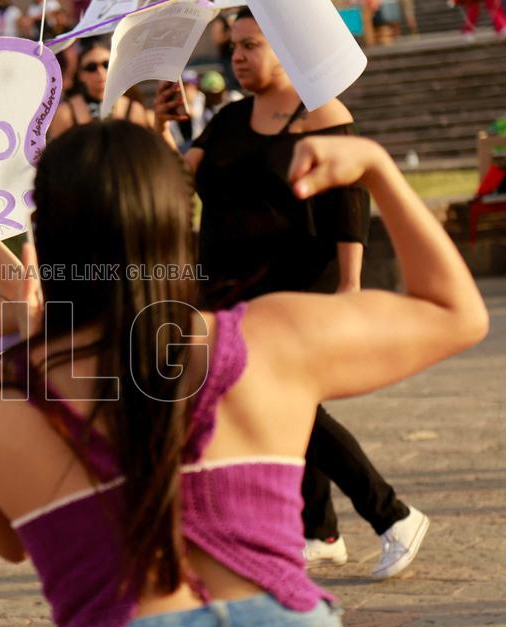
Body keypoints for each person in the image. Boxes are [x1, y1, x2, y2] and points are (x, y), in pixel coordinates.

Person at [0, 120, 487, 627]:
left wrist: (37, 326)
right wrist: (376, 168)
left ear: (47, 235)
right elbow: (456, 313)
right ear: (180, 226)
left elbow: (12, 542)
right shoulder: (270, 337)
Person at [153, 8, 429, 578]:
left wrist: (350, 286)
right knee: (290, 402)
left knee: (289, 398)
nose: (239, 57)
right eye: (233, 47)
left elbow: (350, 204)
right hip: (227, 282)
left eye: (252, 45)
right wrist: (161, 125)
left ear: (285, 48)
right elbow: (175, 181)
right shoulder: (228, 120)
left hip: (299, 278)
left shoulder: (321, 114)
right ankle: (320, 529)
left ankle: (392, 515)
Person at [47, 38, 150, 140]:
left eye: (106, 65)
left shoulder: (134, 110)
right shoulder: (65, 113)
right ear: (80, 75)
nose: (100, 72)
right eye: (91, 67)